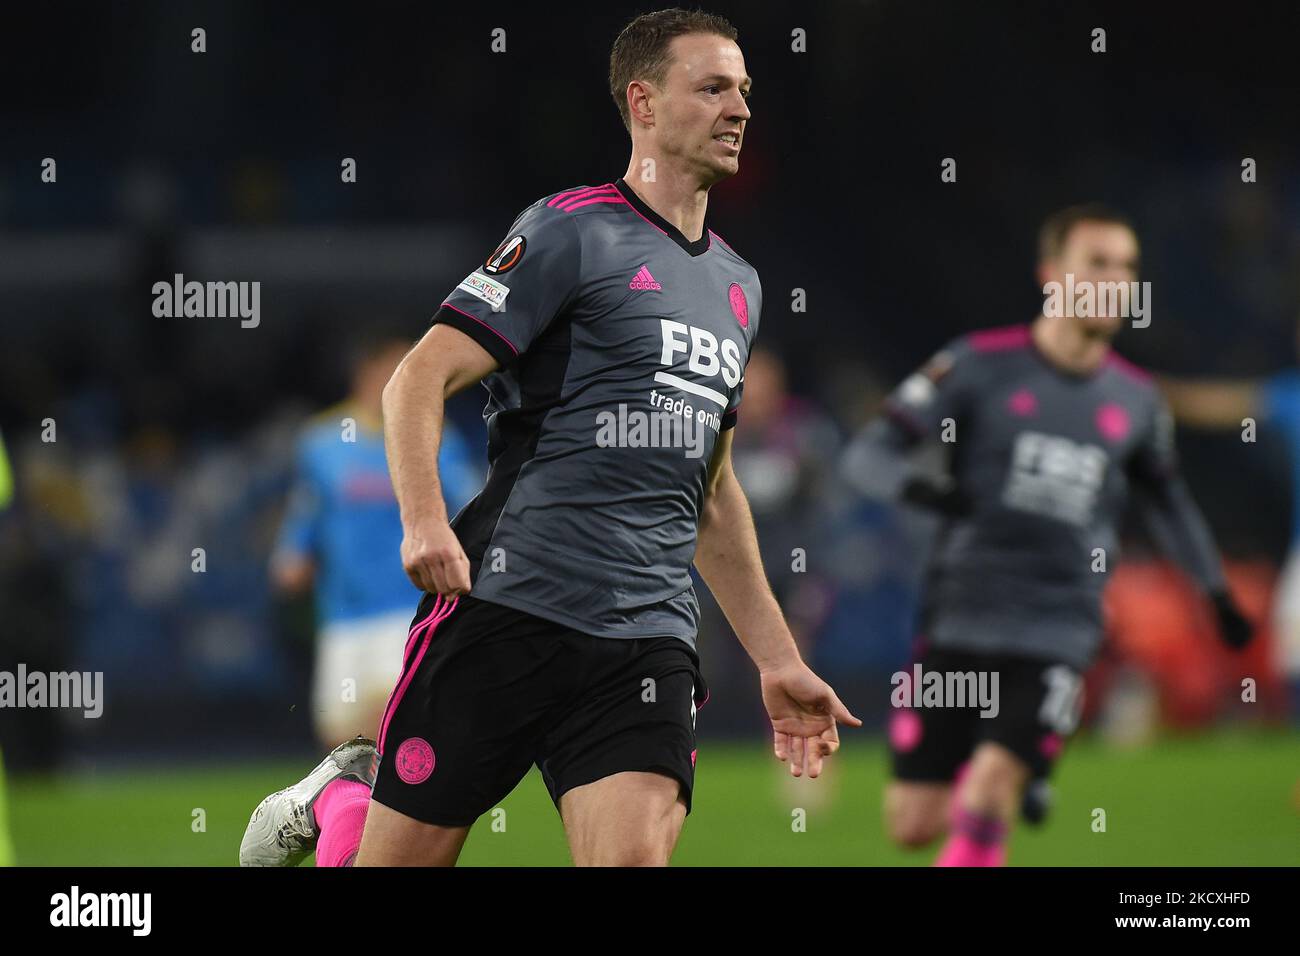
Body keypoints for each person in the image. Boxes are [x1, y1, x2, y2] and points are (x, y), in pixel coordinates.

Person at [242, 7, 857, 869]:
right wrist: (424, 521)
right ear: (643, 103)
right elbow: (415, 379)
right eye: (713, 86)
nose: (740, 107)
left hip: (646, 636)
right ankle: (346, 799)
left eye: (745, 90)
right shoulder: (570, 230)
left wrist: (777, 658)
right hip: (510, 602)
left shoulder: (739, 287)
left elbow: (711, 488)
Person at [841, 204, 1254, 866]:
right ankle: (1026, 768)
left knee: (985, 790)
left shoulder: (1137, 400)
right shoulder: (977, 363)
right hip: (960, 620)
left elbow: (1169, 505)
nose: (1115, 280)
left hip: (1060, 630)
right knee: (912, 825)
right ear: (1050, 275)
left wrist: (1216, 593)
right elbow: (869, 454)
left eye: (1126, 268)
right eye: (1097, 263)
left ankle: (1015, 769)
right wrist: (926, 488)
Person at [271, 333, 480, 750]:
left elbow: (472, 506)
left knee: (390, 728)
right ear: (367, 371)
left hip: (409, 608)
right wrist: (292, 553)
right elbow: (308, 510)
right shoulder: (322, 441)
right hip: (343, 614)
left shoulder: (437, 437)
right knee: (339, 744)